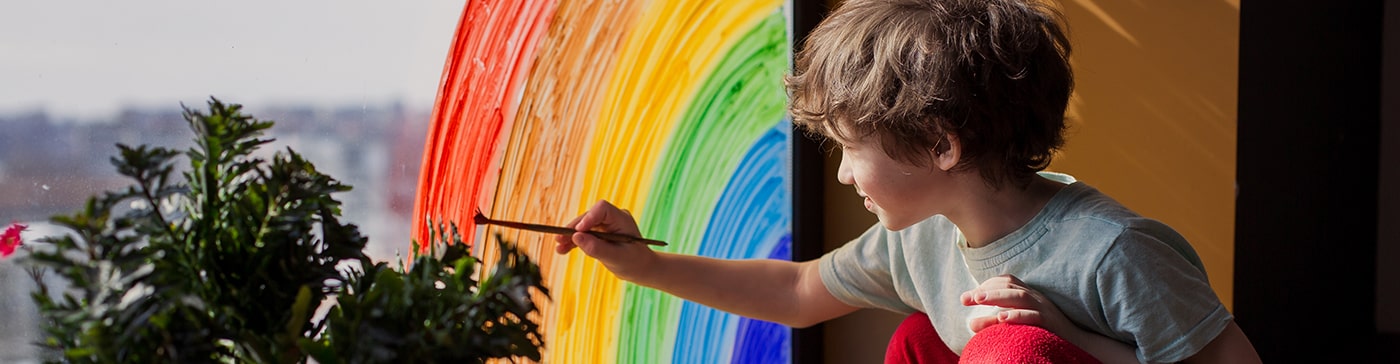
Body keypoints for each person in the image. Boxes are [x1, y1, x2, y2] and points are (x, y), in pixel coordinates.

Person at [554, 0, 1261, 362]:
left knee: (1007, 350)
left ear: (938, 145)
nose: (841, 172)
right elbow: (798, 292)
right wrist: (643, 265)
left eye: (850, 149)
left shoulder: (1113, 252)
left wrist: (1073, 344)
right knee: (921, 341)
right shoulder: (918, 240)